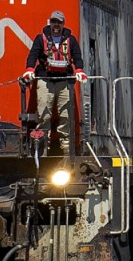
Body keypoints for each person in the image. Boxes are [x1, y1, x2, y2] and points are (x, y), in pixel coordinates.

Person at [22, 10, 87, 154]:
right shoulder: (40, 38)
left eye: (59, 22)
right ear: (49, 23)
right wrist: (29, 69)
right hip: (45, 80)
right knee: (44, 113)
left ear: (63, 23)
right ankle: (43, 147)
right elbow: (33, 54)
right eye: (53, 21)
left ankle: (66, 149)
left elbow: (77, 56)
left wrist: (79, 70)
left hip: (64, 81)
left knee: (66, 114)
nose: (56, 25)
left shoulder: (71, 40)